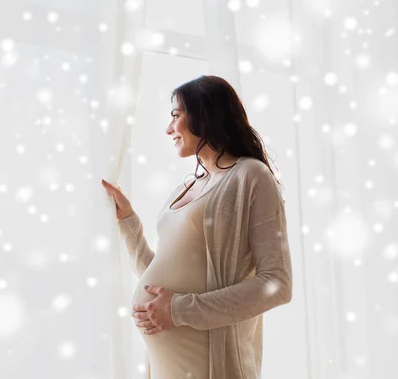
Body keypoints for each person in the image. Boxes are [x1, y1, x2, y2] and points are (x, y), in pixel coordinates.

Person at [101, 75, 292, 379]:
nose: (168, 129)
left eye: (176, 115)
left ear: (205, 114)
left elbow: (277, 285)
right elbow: (159, 279)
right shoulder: (189, 185)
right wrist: (128, 222)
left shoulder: (250, 176)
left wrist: (179, 311)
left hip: (209, 363)